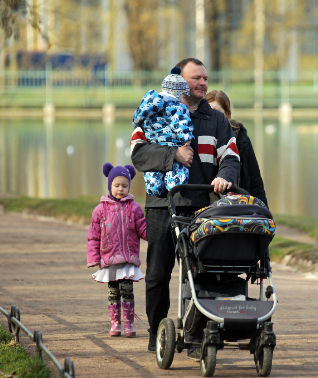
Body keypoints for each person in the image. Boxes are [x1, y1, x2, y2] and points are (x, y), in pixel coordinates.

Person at [130, 58, 240, 353]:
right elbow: (138, 154)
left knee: (199, 274)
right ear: (179, 80)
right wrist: (173, 155)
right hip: (160, 205)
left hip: (200, 207)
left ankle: (196, 335)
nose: (203, 83)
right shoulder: (154, 111)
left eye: (205, 78)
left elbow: (231, 156)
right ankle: (156, 333)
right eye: (196, 78)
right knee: (157, 275)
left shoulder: (216, 120)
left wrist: (225, 176)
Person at [87, 163, 147, 338]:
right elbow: (93, 236)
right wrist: (94, 258)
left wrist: (154, 234)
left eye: (125, 186)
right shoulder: (100, 210)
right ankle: (115, 323)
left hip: (127, 258)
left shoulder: (134, 208)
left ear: (129, 186)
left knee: (127, 290)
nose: (121, 189)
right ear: (110, 185)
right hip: (110, 258)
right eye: (117, 185)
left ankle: (128, 323)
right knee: (113, 292)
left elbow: (142, 229)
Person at [133, 67, 194, 196]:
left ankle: (153, 187)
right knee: (177, 174)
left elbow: (138, 117)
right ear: (178, 94)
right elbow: (181, 124)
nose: (185, 101)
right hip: (172, 143)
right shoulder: (177, 107)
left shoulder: (150, 105)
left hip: (154, 144)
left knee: (153, 171)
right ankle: (174, 186)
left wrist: (136, 123)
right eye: (184, 97)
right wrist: (187, 139)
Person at [205, 90, 268, 206]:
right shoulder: (197, 137)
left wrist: (264, 211)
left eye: (217, 112)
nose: (213, 117)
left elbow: (255, 181)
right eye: (209, 112)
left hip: (236, 204)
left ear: (227, 114)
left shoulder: (241, 140)